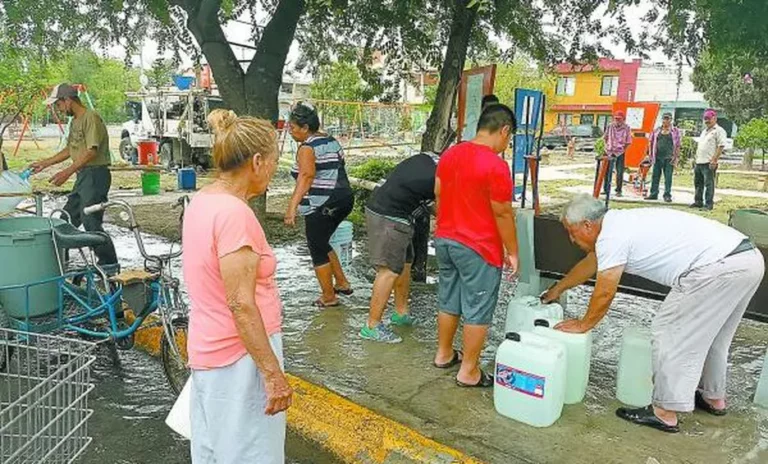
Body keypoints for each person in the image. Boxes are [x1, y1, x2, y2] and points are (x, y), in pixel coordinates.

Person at [542, 194, 764, 433]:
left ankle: (665, 412)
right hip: (747, 259)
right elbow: (591, 264)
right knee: (715, 337)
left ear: (587, 224)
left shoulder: (610, 236)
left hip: (714, 268)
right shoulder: (619, 223)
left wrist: (584, 324)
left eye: (571, 232)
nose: (571, 239)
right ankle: (713, 397)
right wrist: (558, 289)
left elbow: (605, 292)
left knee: (669, 331)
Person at [183, 109, 292, 463]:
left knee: (215, 450)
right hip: (239, 360)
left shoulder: (204, 200)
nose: (274, 170)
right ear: (257, 161)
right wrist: (273, 374)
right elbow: (241, 304)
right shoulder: (235, 215)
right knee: (250, 454)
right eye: (274, 161)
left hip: (211, 351)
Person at [432, 104, 519, 388]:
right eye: (509, 137)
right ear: (504, 130)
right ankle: (469, 371)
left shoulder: (451, 154)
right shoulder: (495, 165)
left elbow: (438, 193)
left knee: (449, 299)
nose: (507, 144)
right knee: (478, 307)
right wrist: (513, 251)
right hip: (478, 246)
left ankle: (444, 354)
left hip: (445, 239)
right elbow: (503, 212)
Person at [30, 83, 117, 265]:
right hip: (83, 176)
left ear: (68, 100)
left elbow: (91, 151)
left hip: (95, 175)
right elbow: (71, 149)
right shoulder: (76, 121)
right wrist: (45, 164)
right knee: (66, 220)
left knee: (90, 221)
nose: (58, 109)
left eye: (59, 105)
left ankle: (108, 264)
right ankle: (62, 263)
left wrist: (67, 172)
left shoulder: (90, 117)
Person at [361, 153, 437, 343]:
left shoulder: (428, 159)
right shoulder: (441, 176)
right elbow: (441, 209)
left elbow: (427, 200)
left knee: (405, 263)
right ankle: (372, 326)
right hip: (389, 216)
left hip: (392, 211)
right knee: (388, 270)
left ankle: (401, 313)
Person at [285, 103, 355, 308]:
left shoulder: (307, 147)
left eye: (293, 128)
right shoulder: (330, 141)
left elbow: (306, 177)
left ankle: (328, 296)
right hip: (344, 198)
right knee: (322, 241)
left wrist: (292, 207)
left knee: (316, 247)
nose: (291, 132)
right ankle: (341, 282)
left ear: (306, 128)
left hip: (324, 202)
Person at [692, 109, 727, 211]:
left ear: (715, 118)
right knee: (698, 183)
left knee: (709, 184)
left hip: (709, 162)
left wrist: (714, 160)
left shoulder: (719, 131)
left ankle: (708, 204)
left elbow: (721, 146)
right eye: (705, 119)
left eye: (709, 119)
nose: (706, 121)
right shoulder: (704, 131)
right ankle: (698, 202)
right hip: (699, 161)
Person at [644, 112, 682, 202]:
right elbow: (651, 142)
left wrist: (676, 157)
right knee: (655, 176)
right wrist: (649, 155)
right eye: (664, 118)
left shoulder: (675, 131)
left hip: (669, 157)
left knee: (668, 177)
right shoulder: (657, 130)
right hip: (657, 157)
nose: (666, 120)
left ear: (671, 120)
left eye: (668, 119)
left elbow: (678, 145)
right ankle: (653, 194)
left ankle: (667, 195)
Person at [602, 111, 633, 197]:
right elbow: (605, 137)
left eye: (619, 119)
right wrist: (606, 146)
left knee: (619, 172)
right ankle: (606, 189)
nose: (617, 121)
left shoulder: (627, 128)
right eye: (616, 119)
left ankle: (618, 190)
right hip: (609, 151)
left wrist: (623, 149)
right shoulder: (610, 126)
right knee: (606, 171)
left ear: (623, 120)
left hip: (620, 152)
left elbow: (628, 141)